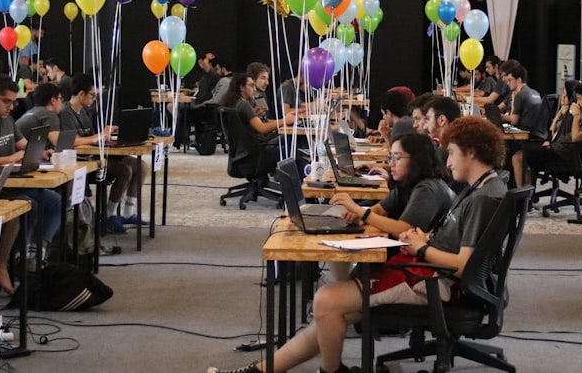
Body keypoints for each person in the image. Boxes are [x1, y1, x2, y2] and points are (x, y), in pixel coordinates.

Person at [208, 116, 508, 373]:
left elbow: (465, 265)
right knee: (332, 313)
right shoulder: (483, 189)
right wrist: (422, 240)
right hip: (427, 269)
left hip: (434, 279)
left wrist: (421, 247)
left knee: (326, 300)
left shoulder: (484, 198)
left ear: (470, 152)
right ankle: (263, 370)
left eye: (453, 152)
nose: (449, 160)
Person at [0, 74, 63, 293]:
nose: (11, 106)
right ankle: (1, 264)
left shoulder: (6, 120)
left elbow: (23, 144)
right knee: (27, 208)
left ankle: (33, 254)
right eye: (7, 101)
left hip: (11, 181)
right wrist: (8, 159)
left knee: (54, 202)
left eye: (14, 102)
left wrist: (41, 152)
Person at [59, 74, 143, 232]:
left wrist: (105, 135)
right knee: (124, 170)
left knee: (140, 165)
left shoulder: (83, 112)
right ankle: (109, 215)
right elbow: (73, 140)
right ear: (81, 94)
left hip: (94, 155)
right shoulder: (65, 114)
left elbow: (91, 137)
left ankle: (127, 213)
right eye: (92, 95)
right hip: (81, 161)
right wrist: (98, 136)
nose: (94, 99)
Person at [331, 133, 454, 237]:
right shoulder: (407, 182)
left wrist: (361, 212)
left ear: (416, 160)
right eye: (390, 157)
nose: (391, 164)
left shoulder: (427, 188)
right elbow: (380, 209)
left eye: (397, 158)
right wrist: (358, 215)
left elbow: (404, 229)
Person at [511, 81, 582, 188]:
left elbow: (576, 137)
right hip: (560, 150)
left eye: (580, 99)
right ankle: (527, 194)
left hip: (563, 154)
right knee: (523, 152)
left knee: (519, 156)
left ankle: (524, 197)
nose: (578, 103)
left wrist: (576, 115)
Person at [499, 60, 542, 136]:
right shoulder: (535, 92)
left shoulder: (520, 95)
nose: (508, 83)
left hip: (524, 133)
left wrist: (500, 116)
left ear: (519, 80)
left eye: (510, 80)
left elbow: (513, 121)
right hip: (537, 133)